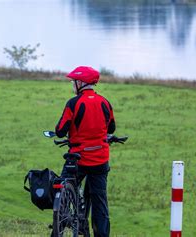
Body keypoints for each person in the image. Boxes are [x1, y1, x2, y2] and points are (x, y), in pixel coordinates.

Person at [55, 66, 115, 237]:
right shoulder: (105, 102)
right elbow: (111, 127)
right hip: (100, 160)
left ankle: (62, 220)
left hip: (78, 159)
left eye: (73, 82)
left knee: (63, 186)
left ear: (81, 83)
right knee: (100, 201)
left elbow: (60, 130)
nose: (72, 85)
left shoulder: (73, 103)